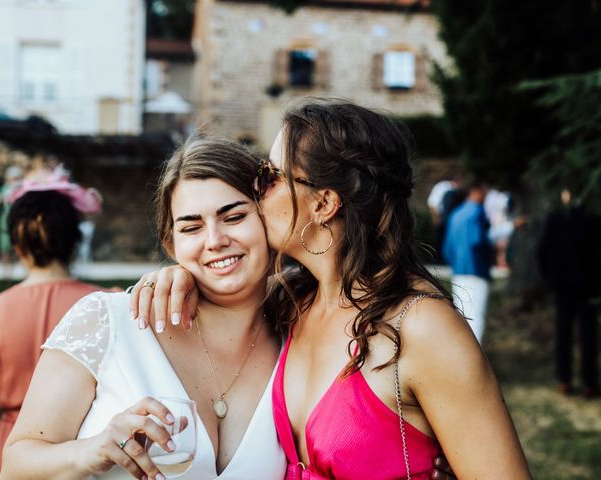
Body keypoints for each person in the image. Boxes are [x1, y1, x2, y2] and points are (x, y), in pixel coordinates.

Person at [131, 100, 531, 479]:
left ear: (323, 203)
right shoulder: (293, 302)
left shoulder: (423, 328)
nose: (256, 188)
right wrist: (178, 277)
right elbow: (225, 296)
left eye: (270, 176)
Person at [1, 135, 287, 480]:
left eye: (234, 216)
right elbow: (14, 467)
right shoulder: (107, 322)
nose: (215, 241)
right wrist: (92, 451)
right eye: (191, 227)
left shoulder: (296, 337)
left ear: (268, 220)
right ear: (172, 243)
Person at [0, 169, 102, 480]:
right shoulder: (109, 305)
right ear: (74, 240)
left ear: (16, 244)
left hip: (10, 459)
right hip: (83, 455)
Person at [537, 188, 600, 398]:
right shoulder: (591, 218)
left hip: (567, 286)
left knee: (566, 333)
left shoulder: (558, 218)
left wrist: (551, 279)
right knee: (586, 334)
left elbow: (542, 251)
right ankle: (587, 381)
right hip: (585, 285)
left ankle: (566, 379)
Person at [442, 178, 492, 343]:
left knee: (462, 319)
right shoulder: (478, 212)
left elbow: (447, 247)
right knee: (476, 320)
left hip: (458, 271)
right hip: (476, 269)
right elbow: (477, 241)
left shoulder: (456, 214)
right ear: (477, 190)